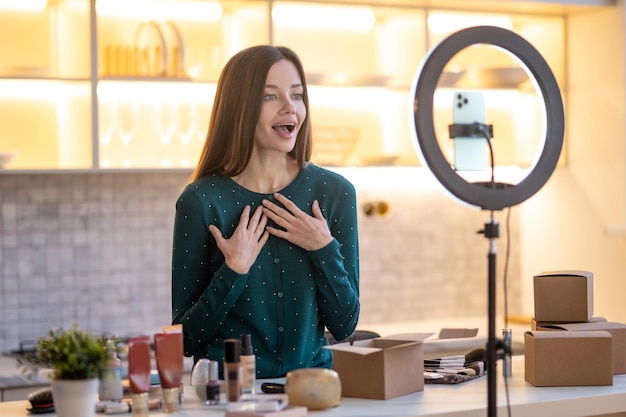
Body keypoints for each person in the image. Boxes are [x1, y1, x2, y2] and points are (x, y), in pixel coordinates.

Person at [171, 45, 360, 379]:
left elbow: (345, 325)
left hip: (312, 392)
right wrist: (233, 269)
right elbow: (185, 339)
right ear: (240, 108)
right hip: (230, 398)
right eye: (270, 97)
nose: (291, 108)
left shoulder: (335, 193)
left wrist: (324, 249)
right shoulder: (201, 201)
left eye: (297, 95)